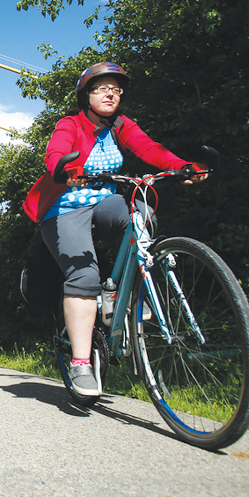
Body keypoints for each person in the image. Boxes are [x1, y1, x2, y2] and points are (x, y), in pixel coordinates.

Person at [30, 62, 206, 396]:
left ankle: (125, 293)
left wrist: (182, 166)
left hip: (104, 203)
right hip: (64, 209)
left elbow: (149, 149)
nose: (110, 93)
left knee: (142, 213)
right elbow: (56, 150)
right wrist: (66, 166)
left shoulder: (121, 125)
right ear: (86, 96)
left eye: (116, 88)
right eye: (101, 88)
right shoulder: (70, 123)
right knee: (83, 276)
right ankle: (81, 363)